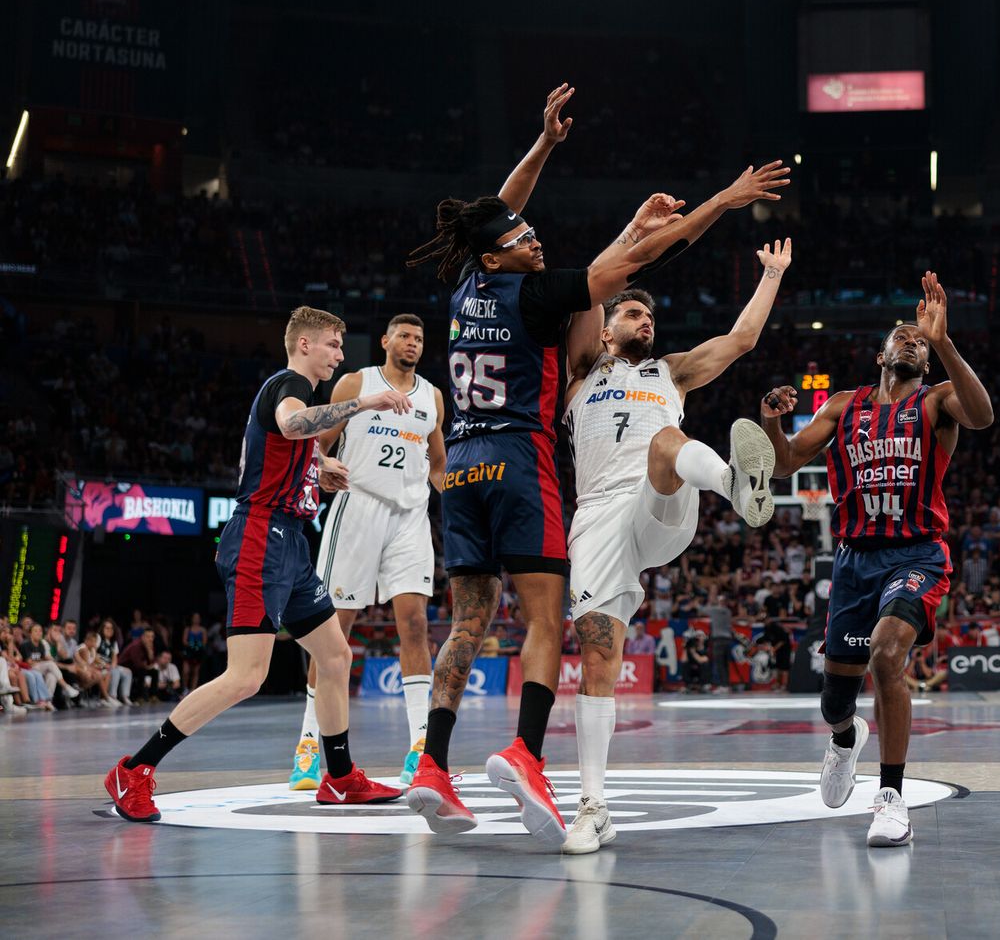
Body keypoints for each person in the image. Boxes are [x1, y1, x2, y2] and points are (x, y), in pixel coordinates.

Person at [400, 83, 789, 842]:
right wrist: (718, 202)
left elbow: (497, 219)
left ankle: (435, 763)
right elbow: (629, 256)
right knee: (578, 634)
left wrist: (544, 145)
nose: (535, 237)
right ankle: (583, 798)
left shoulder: (469, 288)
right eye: (525, 237)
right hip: (551, 487)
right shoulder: (566, 338)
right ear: (605, 328)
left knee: (474, 617)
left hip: (529, 476)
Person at [104, 305, 410, 823]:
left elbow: (282, 443)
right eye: (333, 345)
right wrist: (363, 402)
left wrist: (319, 466)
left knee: (335, 657)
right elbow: (291, 425)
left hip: (289, 541)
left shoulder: (298, 393)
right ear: (305, 344)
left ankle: (338, 779)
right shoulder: (287, 385)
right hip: (258, 540)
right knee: (246, 676)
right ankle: (133, 769)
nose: (340, 353)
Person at [556, 239, 792, 854]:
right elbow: (590, 283)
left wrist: (770, 275)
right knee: (598, 654)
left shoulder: (672, 372)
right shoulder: (578, 375)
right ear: (606, 331)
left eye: (650, 317)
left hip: (659, 502)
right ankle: (593, 805)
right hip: (597, 519)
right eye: (633, 316)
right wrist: (630, 240)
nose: (646, 323)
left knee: (665, 439)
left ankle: (737, 487)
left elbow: (739, 341)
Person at [759, 271, 993, 847]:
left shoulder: (937, 401)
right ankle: (844, 739)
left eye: (919, 340)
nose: (911, 340)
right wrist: (770, 419)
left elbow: (983, 415)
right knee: (835, 700)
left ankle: (890, 797)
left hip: (916, 553)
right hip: (853, 562)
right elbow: (785, 464)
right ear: (881, 355)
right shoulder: (844, 406)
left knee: (890, 655)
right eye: (903, 336)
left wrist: (943, 340)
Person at [287, 312, 447, 790]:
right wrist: (322, 463)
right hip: (358, 509)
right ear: (385, 341)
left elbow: (437, 463)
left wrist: (457, 495)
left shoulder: (432, 396)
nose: (412, 343)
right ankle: (309, 745)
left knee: (416, 624)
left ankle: (421, 746)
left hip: (410, 518)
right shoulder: (356, 383)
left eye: (419, 338)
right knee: (333, 631)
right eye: (404, 335)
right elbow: (313, 444)